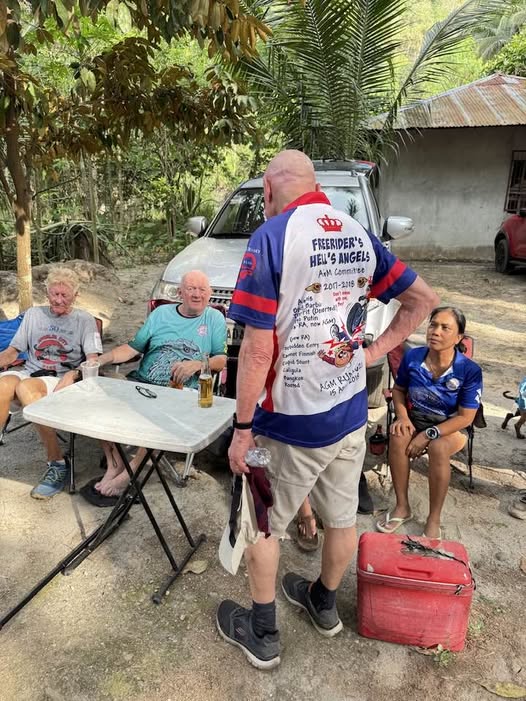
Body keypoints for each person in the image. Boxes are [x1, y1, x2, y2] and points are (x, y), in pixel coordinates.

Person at [216, 149, 439, 670]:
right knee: (341, 518)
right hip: (349, 411)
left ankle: (263, 632)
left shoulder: (271, 237)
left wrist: (243, 429)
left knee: (263, 523)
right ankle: (323, 601)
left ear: (268, 191)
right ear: (314, 185)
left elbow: (256, 350)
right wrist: (373, 352)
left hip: (289, 422)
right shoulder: (359, 234)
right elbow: (423, 300)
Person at [80, 270, 227, 503]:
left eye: (202, 290)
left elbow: (221, 360)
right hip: (142, 383)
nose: (196, 294)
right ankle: (114, 462)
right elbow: (133, 348)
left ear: (209, 294)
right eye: (190, 289)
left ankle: (130, 472)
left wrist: (198, 364)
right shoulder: (161, 314)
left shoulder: (214, 319)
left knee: (164, 413)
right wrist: (101, 359)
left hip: (181, 392)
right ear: (180, 292)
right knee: (97, 396)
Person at [376, 306, 483, 539]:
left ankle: (434, 518)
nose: (436, 331)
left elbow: (466, 417)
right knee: (398, 434)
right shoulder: (413, 357)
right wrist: (402, 417)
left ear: (459, 337)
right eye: (433, 325)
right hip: (415, 417)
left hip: (451, 426)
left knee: (438, 447)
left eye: (445, 328)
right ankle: (402, 507)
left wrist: (428, 434)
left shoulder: (469, 371)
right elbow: (398, 390)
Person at [0, 266, 102, 498]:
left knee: (25, 387)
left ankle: (57, 463)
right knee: (4, 385)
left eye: (64, 295)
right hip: (31, 372)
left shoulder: (84, 320)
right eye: (54, 294)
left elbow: (93, 360)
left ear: (75, 295)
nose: (58, 300)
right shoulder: (33, 315)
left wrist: (73, 374)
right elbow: (13, 351)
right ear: (47, 293)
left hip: (61, 379)